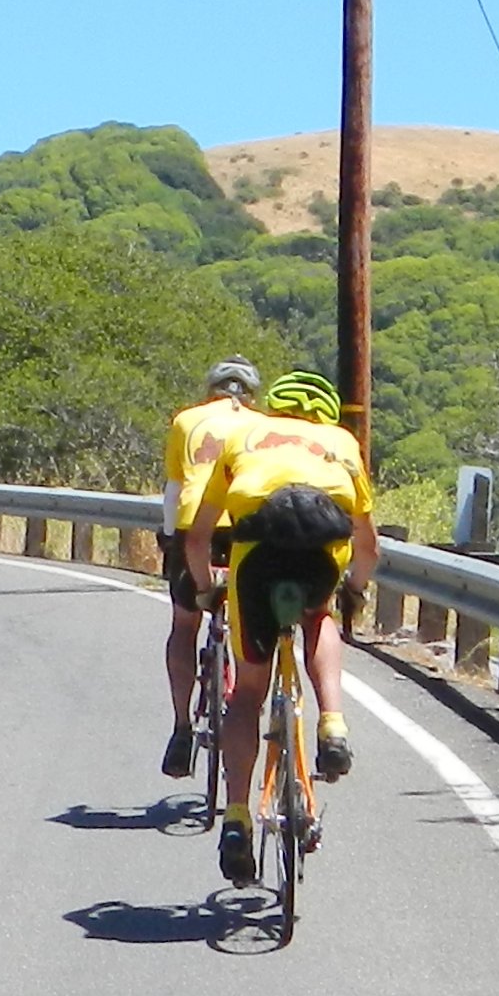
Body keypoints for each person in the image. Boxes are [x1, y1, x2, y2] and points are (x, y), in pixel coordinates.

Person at [177, 370, 374, 886]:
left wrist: (203, 590)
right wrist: (355, 587)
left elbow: (199, 538)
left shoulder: (243, 436)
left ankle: (238, 819)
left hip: (257, 558)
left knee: (247, 695)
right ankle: (332, 722)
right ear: (327, 415)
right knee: (319, 616)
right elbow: (369, 545)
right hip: (319, 556)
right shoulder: (343, 445)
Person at [155, 355, 269, 779]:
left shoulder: (187, 421)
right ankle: (243, 710)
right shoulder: (261, 427)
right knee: (246, 627)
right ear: (252, 393)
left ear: (212, 388)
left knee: (185, 624)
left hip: (194, 529)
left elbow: (174, 488)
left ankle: (182, 727)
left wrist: (170, 538)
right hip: (247, 529)